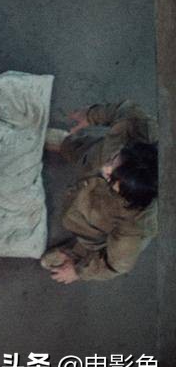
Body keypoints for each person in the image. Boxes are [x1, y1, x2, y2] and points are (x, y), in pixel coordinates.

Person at [42, 100, 158, 283]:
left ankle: (78, 254)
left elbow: (116, 265)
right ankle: (67, 144)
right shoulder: (141, 130)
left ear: (131, 197)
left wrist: (79, 272)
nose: (105, 168)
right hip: (91, 154)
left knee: (91, 236)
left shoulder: (134, 226)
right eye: (114, 160)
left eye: (112, 178)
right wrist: (91, 115)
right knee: (85, 151)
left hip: (98, 217)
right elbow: (125, 111)